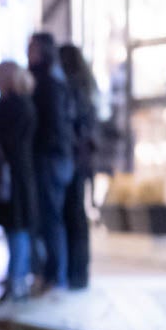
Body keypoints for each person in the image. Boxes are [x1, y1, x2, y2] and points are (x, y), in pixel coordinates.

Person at [0, 61, 38, 302]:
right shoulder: (25, 104)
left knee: (15, 228)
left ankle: (16, 279)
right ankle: (17, 276)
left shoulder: (4, 107)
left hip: (9, 175)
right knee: (18, 228)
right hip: (20, 173)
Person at [27, 32, 76, 294]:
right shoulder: (50, 80)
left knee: (49, 219)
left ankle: (53, 276)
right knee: (47, 219)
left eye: (33, 48)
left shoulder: (48, 83)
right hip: (53, 158)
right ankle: (49, 274)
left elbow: (53, 126)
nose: (28, 53)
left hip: (51, 159)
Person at [58, 44, 97, 290]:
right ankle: (78, 273)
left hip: (73, 159)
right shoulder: (86, 88)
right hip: (82, 161)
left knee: (71, 215)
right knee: (77, 217)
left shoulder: (71, 88)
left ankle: (75, 274)